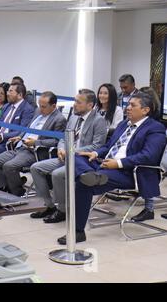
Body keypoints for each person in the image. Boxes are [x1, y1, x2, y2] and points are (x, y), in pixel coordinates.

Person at [61, 92, 167, 245]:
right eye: (128, 104)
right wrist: (95, 153)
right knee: (75, 156)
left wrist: (118, 163)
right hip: (104, 165)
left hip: (130, 173)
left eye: (133, 105)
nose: (128, 108)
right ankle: (88, 174)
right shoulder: (124, 124)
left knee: (82, 185)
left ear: (145, 110)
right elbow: (108, 147)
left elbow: (148, 156)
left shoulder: (155, 128)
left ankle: (78, 231)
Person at [29, 89, 107, 223]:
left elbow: (97, 146)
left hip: (83, 161)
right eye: (75, 100)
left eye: (78, 102)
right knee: (36, 168)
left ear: (90, 105)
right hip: (66, 157)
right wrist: (60, 149)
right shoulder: (74, 117)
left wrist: (71, 151)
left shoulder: (98, 121)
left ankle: (63, 210)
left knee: (57, 174)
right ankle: (48, 205)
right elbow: (63, 138)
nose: (74, 104)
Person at [0, 91, 67, 196]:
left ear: (53, 106)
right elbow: (28, 128)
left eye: (44, 106)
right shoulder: (38, 112)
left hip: (34, 152)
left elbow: (57, 141)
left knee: (9, 166)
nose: (40, 109)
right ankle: (5, 187)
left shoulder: (59, 119)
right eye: (39, 105)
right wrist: (20, 137)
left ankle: (16, 192)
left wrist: (36, 142)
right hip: (21, 146)